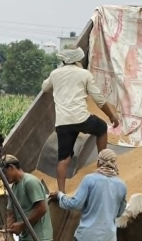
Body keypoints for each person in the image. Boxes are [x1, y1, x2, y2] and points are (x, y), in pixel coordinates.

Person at [42, 47, 120, 194]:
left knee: (63, 158)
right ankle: (102, 165)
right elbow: (98, 99)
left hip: (63, 122)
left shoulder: (55, 74)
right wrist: (111, 116)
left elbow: (45, 87)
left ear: (64, 60)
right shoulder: (84, 74)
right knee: (102, 128)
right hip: (81, 119)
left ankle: (61, 192)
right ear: (78, 60)